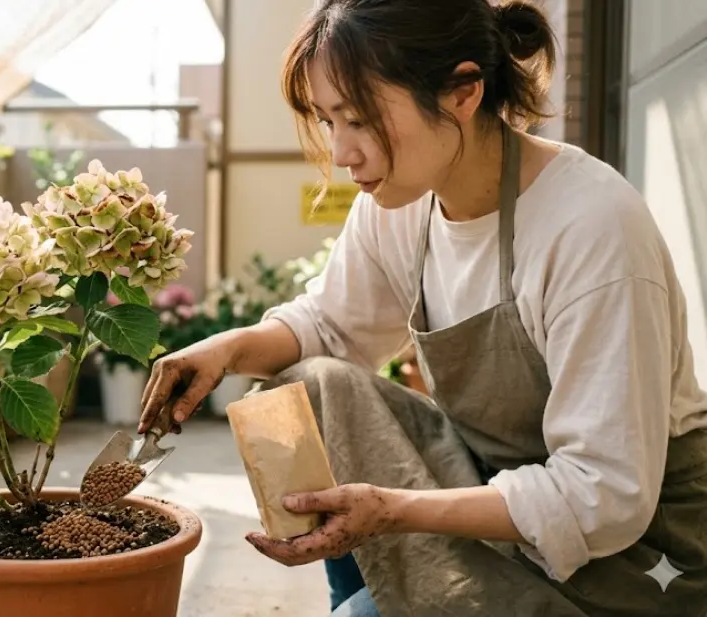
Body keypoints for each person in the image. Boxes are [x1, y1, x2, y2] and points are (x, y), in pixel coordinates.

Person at [137, 1, 707, 616]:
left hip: (628, 558)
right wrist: (226, 348)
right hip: (496, 494)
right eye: (329, 122)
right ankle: (377, 598)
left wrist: (391, 511)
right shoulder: (406, 203)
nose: (341, 154)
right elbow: (331, 327)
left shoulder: (591, 226)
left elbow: (607, 495)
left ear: (462, 91)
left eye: (358, 119)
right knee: (311, 383)